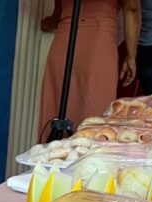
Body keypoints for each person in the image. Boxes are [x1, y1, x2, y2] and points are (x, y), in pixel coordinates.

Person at [38, 0, 142, 141]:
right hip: (99, 38)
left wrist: (50, 21)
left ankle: (53, 151)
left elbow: (57, 13)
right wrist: (131, 56)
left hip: (65, 33)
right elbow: (132, 8)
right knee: (94, 107)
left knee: (58, 105)